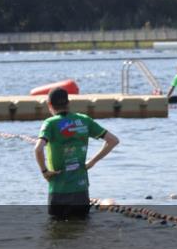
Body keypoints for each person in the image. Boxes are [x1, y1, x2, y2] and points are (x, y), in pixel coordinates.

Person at [33, 87, 120, 219]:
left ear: (49, 105)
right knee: (81, 229)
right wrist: (92, 162)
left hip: (58, 191)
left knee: (56, 231)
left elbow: (38, 149)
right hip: (81, 190)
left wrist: (44, 172)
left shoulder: (50, 123)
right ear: (68, 103)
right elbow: (113, 141)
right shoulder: (84, 120)